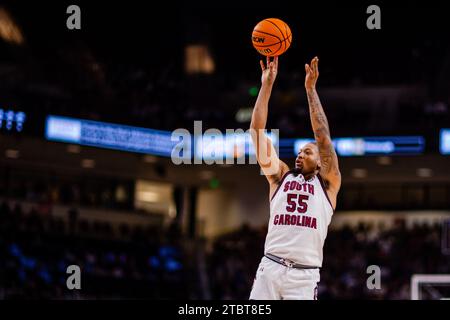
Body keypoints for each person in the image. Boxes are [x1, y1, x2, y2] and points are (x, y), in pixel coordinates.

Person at [249, 56, 341, 300]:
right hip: (270, 267)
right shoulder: (280, 177)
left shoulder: (329, 184)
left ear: (321, 160)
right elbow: (256, 133)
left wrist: (310, 89)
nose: (300, 155)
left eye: (307, 152)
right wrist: (267, 84)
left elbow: (322, 137)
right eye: (299, 152)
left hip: (303, 276)